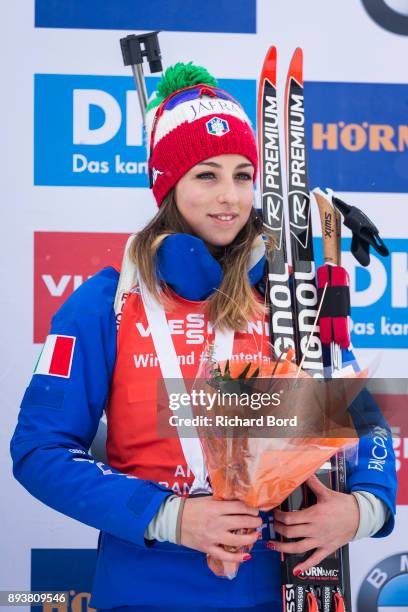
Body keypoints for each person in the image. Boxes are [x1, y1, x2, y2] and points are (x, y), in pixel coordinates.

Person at [10, 63, 397, 611]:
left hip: (279, 590)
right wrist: (171, 517)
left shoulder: (289, 299)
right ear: (169, 186)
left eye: (243, 175)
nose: (231, 197)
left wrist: (364, 509)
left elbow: (365, 426)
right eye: (206, 175)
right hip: (146, 592)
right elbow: (40, 449)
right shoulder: (107, 304)